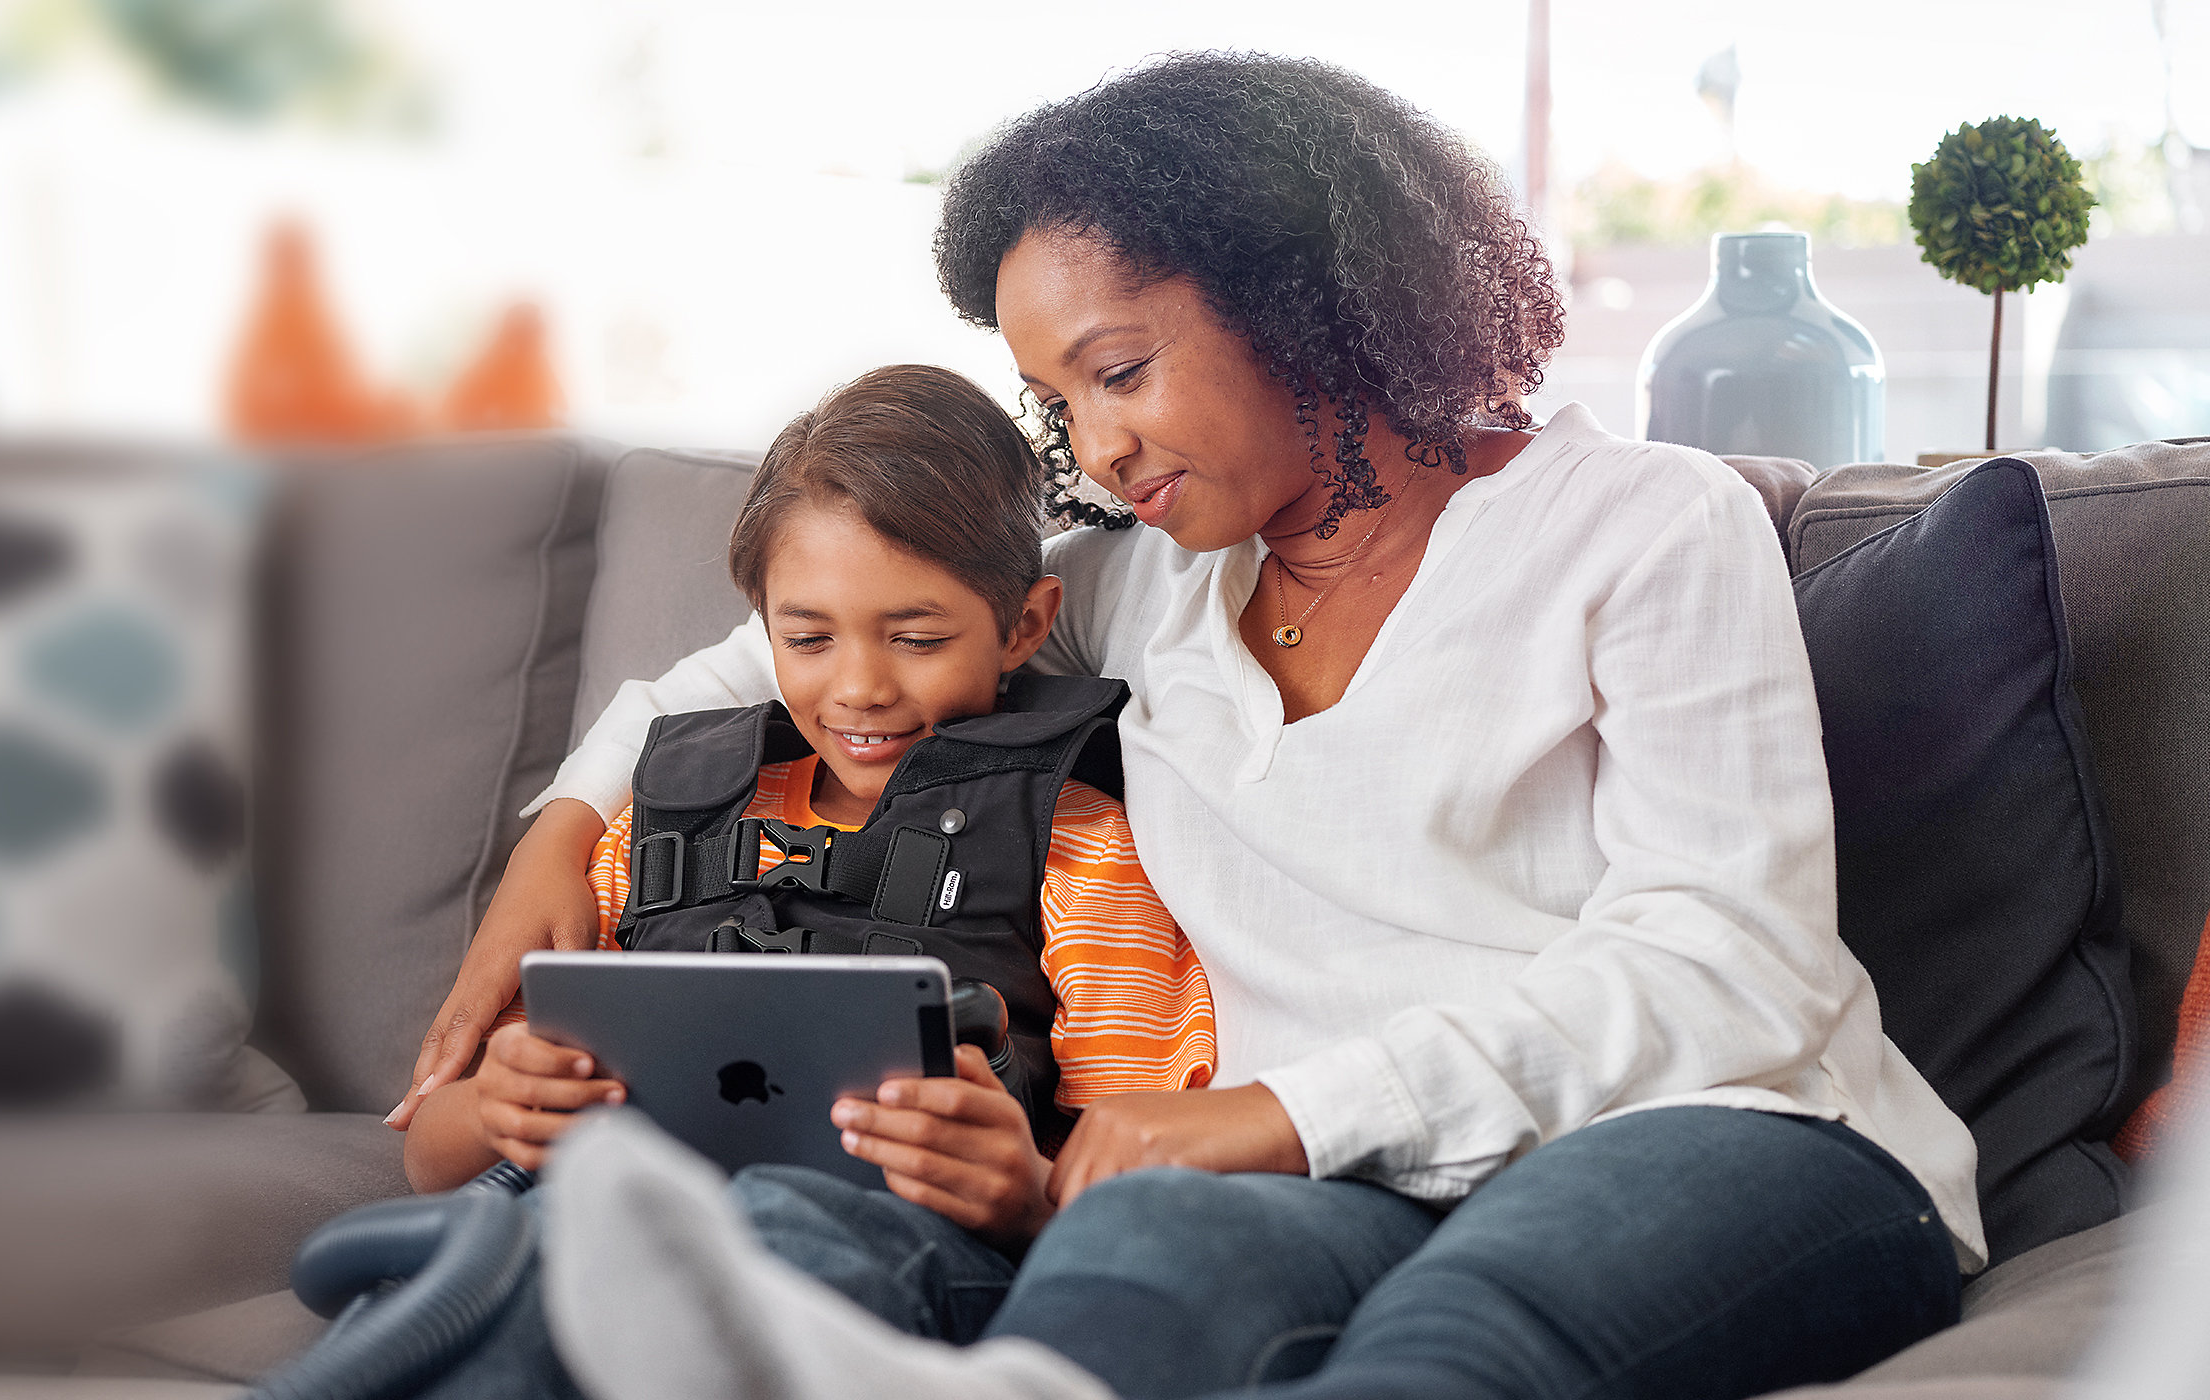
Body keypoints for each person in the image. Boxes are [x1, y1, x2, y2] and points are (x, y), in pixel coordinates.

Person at [400, 51, 1982, 1400]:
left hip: (1711, 1130)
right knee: (1120, 1284)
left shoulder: (1645, 524)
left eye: (1121, 370)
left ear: (1300, 298)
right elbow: (799, 647)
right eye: (1059, 402)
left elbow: (1729, 955)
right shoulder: (1141, 584)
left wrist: (1281, 1112)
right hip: (1322, 1174)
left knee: (1457, 1343)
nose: (1096, 446)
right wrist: (563, 831)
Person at [392, 364, 1216, 1396]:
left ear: (1024, 624)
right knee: (504, 1291)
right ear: (763, 627)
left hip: (876, 1251)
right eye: (809, 638)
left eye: (917, 639)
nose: (861, 685)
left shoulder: (1080, 845)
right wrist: (502, 1108)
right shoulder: (651, 826)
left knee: (766, 1238)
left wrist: (1027, 1192)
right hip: (581, 1232)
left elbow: (1136, 1178)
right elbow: (432, 1156)